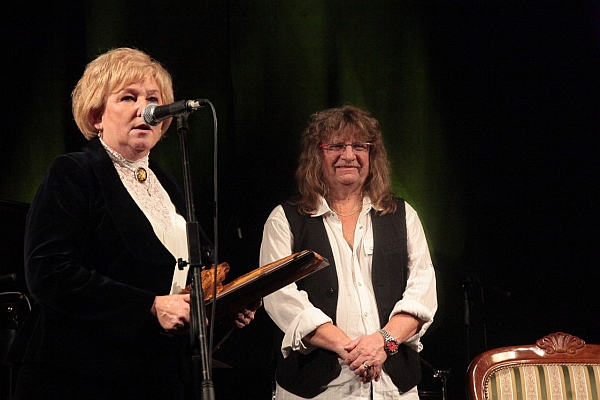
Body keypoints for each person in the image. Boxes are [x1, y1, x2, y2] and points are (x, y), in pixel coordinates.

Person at [7, 47, 258, 399]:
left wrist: (227, 303)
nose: (146, 109)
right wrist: (149, 306)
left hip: (156, 373)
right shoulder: (74, 172)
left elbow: (196, 271)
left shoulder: (167, 183)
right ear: (96, 115)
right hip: (78, 373)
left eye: (153, 99)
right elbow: (48, 273)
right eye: (129, 97)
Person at [260, 105, 437, 399]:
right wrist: (354, 351)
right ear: (317, 154)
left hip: (392, 388)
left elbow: (423, 293)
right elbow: (280, 299)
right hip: (317, 391)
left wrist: (383, 343)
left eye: (359, 146)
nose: (349, 155)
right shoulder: (285, 220)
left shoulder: (402, 215)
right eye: (336, 146)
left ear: (372, 155)